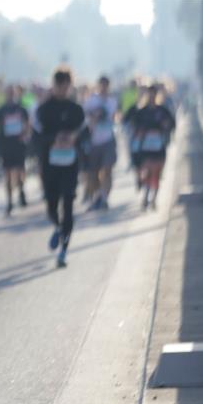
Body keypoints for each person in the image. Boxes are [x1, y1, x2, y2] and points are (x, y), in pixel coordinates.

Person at [36, 67, 85, 268]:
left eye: (66, 87)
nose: (63, 90)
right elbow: (36, 137)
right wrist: (53, 139)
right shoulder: (44, 109)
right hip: (50, 164)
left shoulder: (76, 109)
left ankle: (64, 250)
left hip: (70, 164)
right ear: (54, 85)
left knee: (68, 204)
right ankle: (57, 227)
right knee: (51, 205)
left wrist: (74, 138)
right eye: (60, 87)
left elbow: (84, 133)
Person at [0, 85, 31, 216]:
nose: (11, 95)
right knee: (7, 174)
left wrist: (25, 134)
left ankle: (21, 191)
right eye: (9, 93)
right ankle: (9, 201)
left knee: (20, 171)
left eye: (13, 93)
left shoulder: (22, 109)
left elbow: (29, 123)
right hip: (6, 145)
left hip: (19, 144)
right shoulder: (1, 110)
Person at [134, 85, 176, 211]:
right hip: (146, 147)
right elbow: (135, 126)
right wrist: (140, 132)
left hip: (159, 147)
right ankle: (146, 197)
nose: (152, 96)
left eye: (154, 94)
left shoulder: (163, 110)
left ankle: (154, 199)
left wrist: (166, 126)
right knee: (147, 171)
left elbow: (172, 124)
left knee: (157, 174)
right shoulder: (142, 111)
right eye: (150, 94)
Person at [82, 76, 118, 212]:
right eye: (101, 85)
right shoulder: (91, 100)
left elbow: (114, 117)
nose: (103, 88)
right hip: (93, 141)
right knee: (93, 174)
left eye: (106, 85)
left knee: (107, 170)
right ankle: (97, 196)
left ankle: (104, 198)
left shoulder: (112, 101)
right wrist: (93, 116)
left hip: (108, 139)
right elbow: (84, 116)